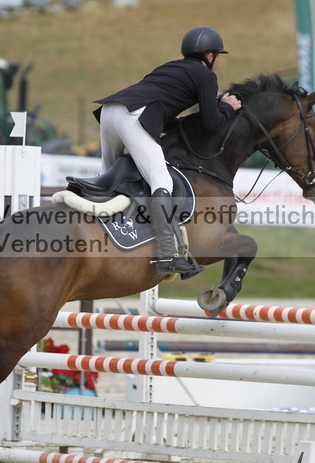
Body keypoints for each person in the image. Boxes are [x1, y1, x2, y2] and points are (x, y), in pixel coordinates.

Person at [92, 26, 242, 277]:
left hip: (111, 110)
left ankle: (102, 234)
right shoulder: (205, 75)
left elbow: (165, 110)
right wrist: (227, 107)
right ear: (209, 56)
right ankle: (167, 254)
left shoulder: (169, 68)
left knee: (107, 177)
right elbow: (212, 123)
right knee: (162, 181)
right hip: (132, 115)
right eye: (216, 56)